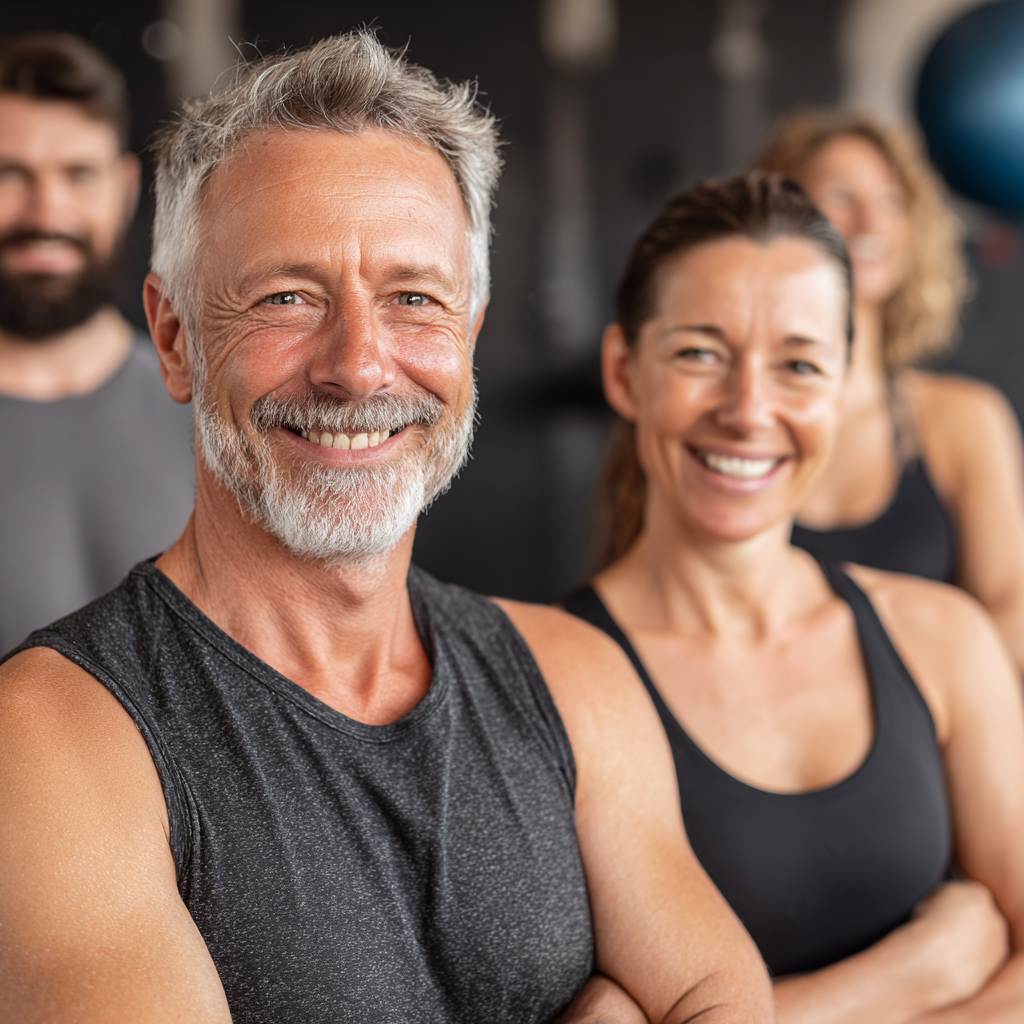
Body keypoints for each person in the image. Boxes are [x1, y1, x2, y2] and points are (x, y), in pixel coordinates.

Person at [0, 33, 774, 1024]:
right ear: (176, 336)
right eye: (288, 297)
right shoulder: (55, 737)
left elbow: (722, 1001)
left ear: (471, 333)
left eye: (413, 299)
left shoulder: (573, 677)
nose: (360, 367)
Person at [565, 173, 1024, 1022]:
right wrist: (909, 978)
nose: (748, 410)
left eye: (799, 363)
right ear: (625, 372)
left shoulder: (939, 637)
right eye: (701, 352)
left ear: (844, 382)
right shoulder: (556, 674)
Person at [755, 110, 1024, 672]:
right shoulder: (738, 418)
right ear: (777, 218)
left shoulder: (963, 419)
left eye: (892, 200)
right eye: (840, 195)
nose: (870, 220)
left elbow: (1011, 620)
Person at [0, 33, 195, 655]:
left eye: (78, 174)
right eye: (8, 173)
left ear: (125, 188)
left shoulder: (215, 414)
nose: (46, 210)